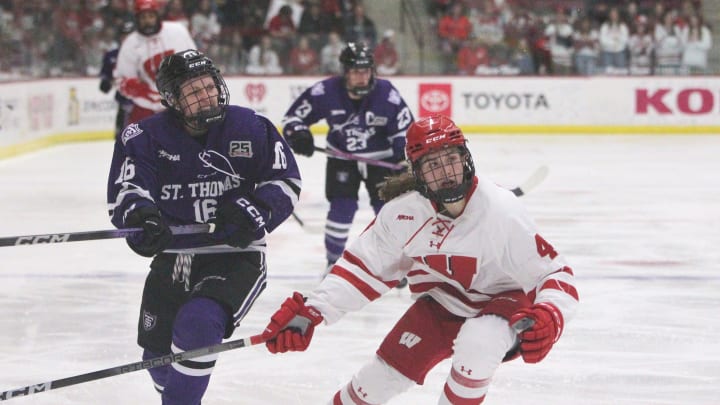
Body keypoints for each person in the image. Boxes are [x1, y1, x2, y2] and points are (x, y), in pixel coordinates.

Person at [262, 115, 579, 404]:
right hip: (443, 303)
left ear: (466, 159)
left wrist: (551, 315)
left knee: (478, 346)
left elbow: (556, 274)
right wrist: (311, 311)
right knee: (375, 382)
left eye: (451, 160)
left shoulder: (501, 211)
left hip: (503, 301)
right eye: (433, 166)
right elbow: (361, 271)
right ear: (418, 173)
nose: (446, 174)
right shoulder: (403, 213)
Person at [106, 49, 301, 405]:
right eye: (193, 92)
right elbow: (127, 190)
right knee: (156, 355)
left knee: (197, 325)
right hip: (174, 256)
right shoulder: (143, 137)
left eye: (209, 86)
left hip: (234, 255)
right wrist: (142, 217)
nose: (206, 96)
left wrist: (254, 210)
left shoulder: (250, 127)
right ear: (172, 100)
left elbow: (285, 181)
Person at [281, 41, 413, 271]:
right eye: (355, 72)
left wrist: (403, 158)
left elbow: (404, 129)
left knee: (387, 209)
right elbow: (293, 119)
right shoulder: (326, 91)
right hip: (342, 158)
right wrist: (300, 134)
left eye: (366, 71)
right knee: (342, 208)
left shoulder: (387, 93)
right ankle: (333, 263)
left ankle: (395, 262)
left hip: (380, 160)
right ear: (345, 72)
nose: (362, 77)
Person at [114, 0, 196, 126]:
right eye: (143, 17)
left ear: (157, 16)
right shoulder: (130, 44)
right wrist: (142, 91)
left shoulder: (177, 31)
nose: (147, 21)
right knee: (137, 142)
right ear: (137, 18)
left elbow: (195, 59)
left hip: (181, 103)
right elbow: (121, 80)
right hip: (147, 109)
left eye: (151, 16)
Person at [99, 19, 135, 141]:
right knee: (121, 138)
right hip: (124, 103)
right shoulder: (112, 56)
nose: (127, 39)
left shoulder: (143, 54)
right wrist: (108, 82)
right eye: (124, 36)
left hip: (142, 104)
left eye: (129, 36)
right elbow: (105, 83)